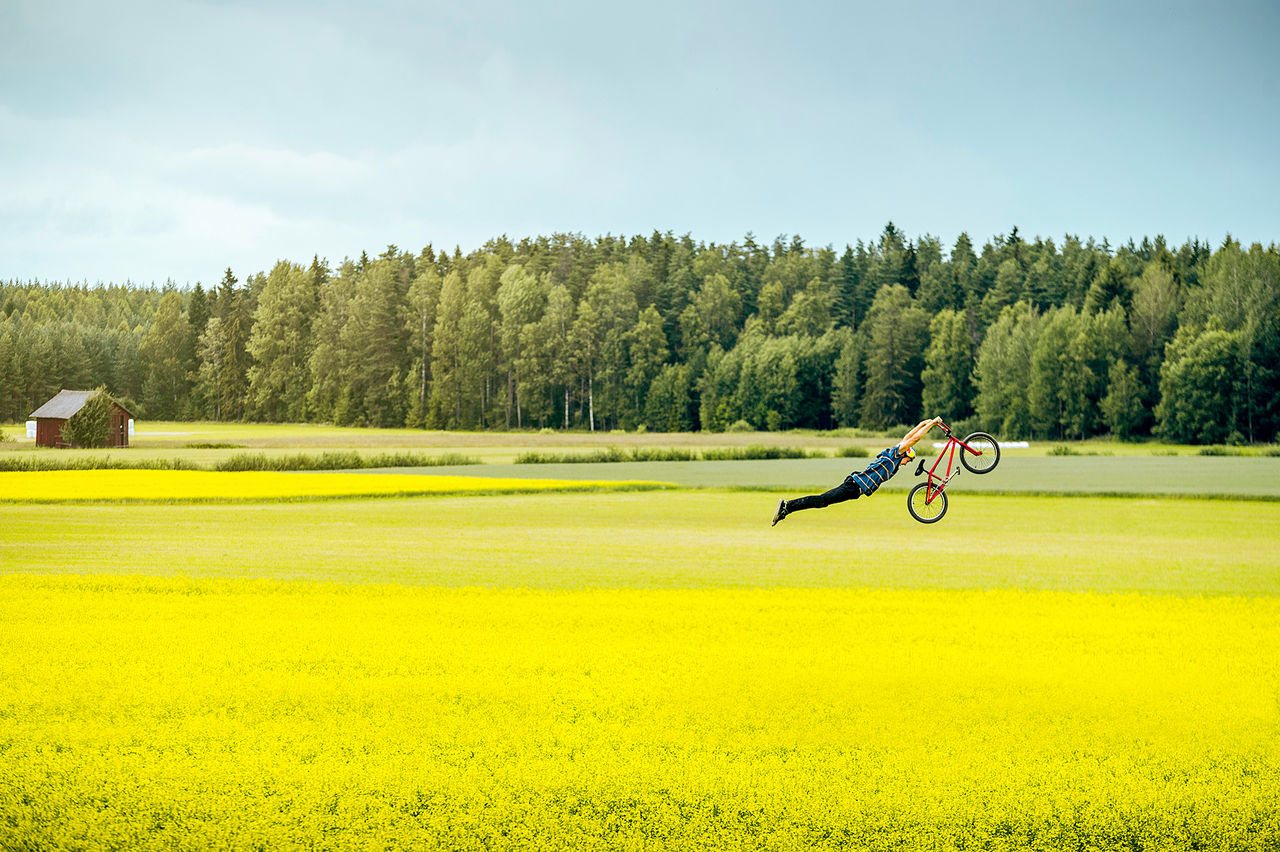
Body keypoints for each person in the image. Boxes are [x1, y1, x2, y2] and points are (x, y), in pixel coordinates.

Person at [771, 417, 942, 525]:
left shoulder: (894, 459)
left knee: (823, 501)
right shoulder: (895, 455)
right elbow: (915, 438)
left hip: (855, 488)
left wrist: (923, 423)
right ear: (905, 455)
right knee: (822, 500)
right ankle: (787, 506)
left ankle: (787, 509)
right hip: (854, 485)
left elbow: (910, 435)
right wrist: (933, 423)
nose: (906, 463)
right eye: (908, 460)